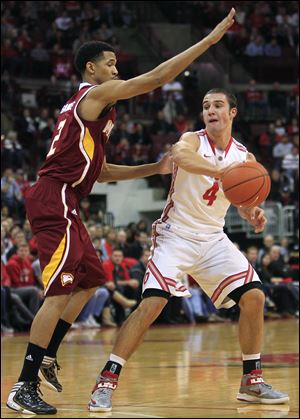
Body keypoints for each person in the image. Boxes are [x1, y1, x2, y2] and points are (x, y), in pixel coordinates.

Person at [6, 8, 237, 415]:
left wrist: (154, 167)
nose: (116, 69)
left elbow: (102, 170)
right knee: (60, 291)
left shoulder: (95, 111)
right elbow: (156, 79)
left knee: (89, 282)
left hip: (66, 197)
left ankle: (47, 354)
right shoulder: (94, 94)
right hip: (53, 196)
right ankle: (23, 385)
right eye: (110, 63)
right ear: (91, 69)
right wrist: (209, 42)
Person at [87, 88, 289, 412]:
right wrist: (222, 173)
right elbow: (180, 157)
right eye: (206, 105)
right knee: (152, 303)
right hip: (175, 235)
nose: (210, 110)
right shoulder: (192, 140)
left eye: (218, 105)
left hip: (213, 237)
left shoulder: (245, 157)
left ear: (232, 113)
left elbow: (240, 198)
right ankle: (106, 380)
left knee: (255, 296)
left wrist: (252, 211)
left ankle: (251, 380)